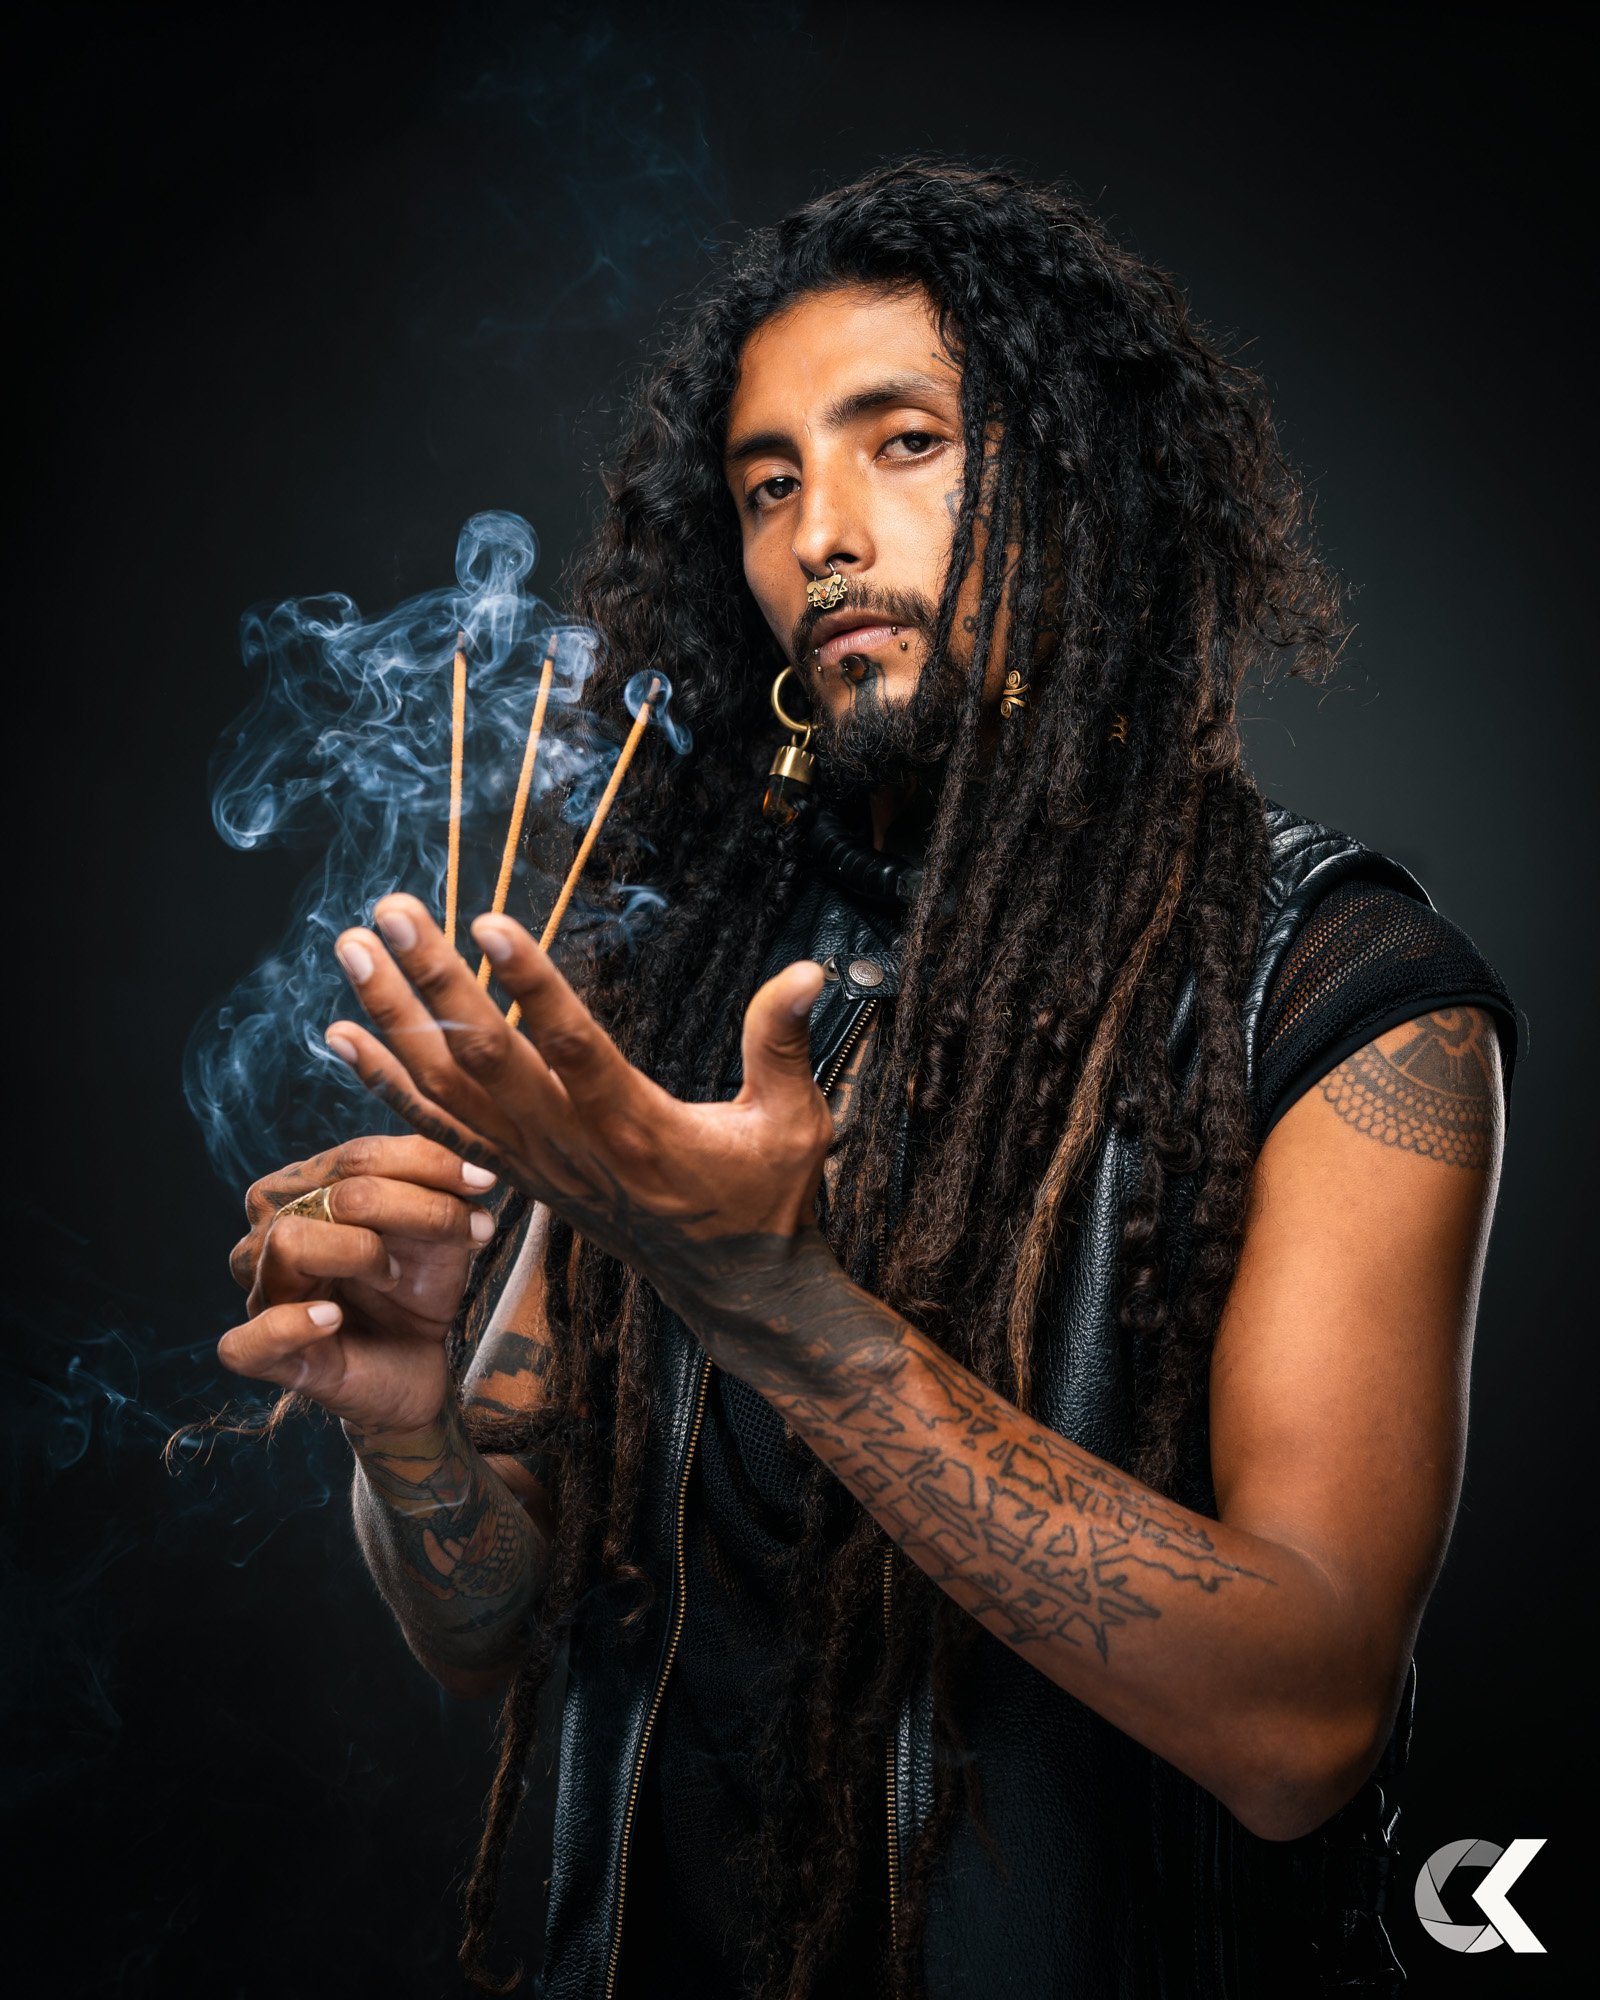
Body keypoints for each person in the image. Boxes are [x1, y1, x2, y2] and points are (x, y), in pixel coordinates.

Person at [218, 162, 1518, 1998]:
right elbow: (497, 1625)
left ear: (1085, 481)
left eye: (902, 442)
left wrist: (773, 1303)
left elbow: (1305, 1724)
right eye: (766, 483)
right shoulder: (668, 985)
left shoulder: (1339, 993)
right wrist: (409, 1419)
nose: (819, 531)